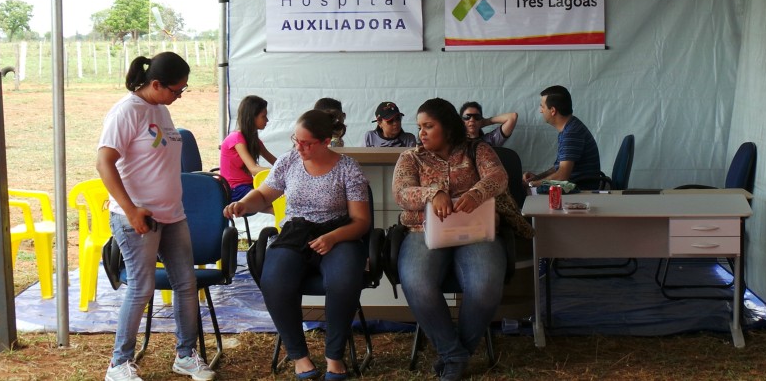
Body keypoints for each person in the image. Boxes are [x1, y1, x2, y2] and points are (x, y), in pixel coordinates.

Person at [224, 110, 370, 381]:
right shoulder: (289, 161)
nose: (298, 147)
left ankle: (334, 356)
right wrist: (245, 204)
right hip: (296, 231)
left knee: (344, 281)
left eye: (306, 143)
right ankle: (299, 357)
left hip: (338, 232)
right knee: (274, 280)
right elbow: (264, 194)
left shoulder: (348, 167)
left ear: (326, 141)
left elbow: (361, 221)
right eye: (296, 140)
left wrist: (333, 237)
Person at [97, 52, 214, 381]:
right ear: (157, 84)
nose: (179, 96)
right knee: (141, 287)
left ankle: (186, 355)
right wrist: (132, 210)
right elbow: (104, 162)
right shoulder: (126, 111)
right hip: (138, 218)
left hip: (173, 215)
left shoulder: (160, 110)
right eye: (177, 90)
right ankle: (119, 364)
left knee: (186, 284)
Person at [392, 98, 508, 381]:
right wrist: (433, 193)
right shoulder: (411, 157)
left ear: (447, 127)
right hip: (423, 231)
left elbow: (498, 176)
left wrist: (475, 194)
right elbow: (402, 193)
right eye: (419, 127)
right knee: (417, 282)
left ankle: (456, 355)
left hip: (475, 230)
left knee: (486, 284)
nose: (422, 133)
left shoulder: (476, 149)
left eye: (429, 126)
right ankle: (454, 354)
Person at [522, 85, 601, 190]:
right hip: (573, 185)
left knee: (526, 192)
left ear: (553, 110)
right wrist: (537, 177)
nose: (541, 111)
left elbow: (562, 176)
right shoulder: (569, 128)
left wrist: (532, 185)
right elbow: (558, 168)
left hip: (580, 189)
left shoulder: (571, 133)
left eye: (542, 107)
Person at [220, 95, 277, 201]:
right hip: (234, 190)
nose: (267, 120)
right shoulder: (236, 138)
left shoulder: (253, 139)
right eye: (263, 116)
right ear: (252, 117)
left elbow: (276, 162)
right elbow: (254, 169)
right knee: (276, 205)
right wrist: (280, 171)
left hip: (248, 186)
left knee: (280, 197)